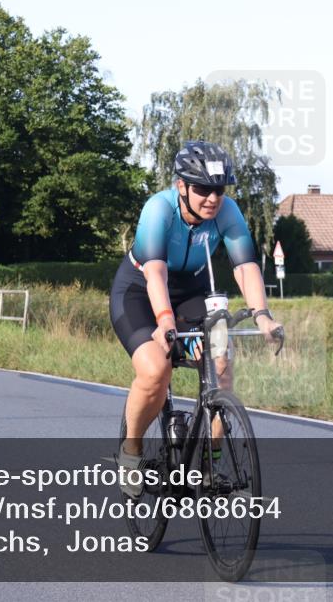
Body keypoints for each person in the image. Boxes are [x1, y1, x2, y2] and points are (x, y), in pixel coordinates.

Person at [110, 140, 283, 498]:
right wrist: (164, 321)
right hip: (141, 292)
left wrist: (263, 317)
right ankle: (131, 449)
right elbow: (155, 272)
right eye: (202, 189)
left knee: (222, 368)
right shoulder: (158, 210)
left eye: (218, 190)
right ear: (181, 187)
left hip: (193, 292)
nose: (212, 198)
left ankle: (207, 463)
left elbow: (246, 267)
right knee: (157, 369)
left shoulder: (228, 212)